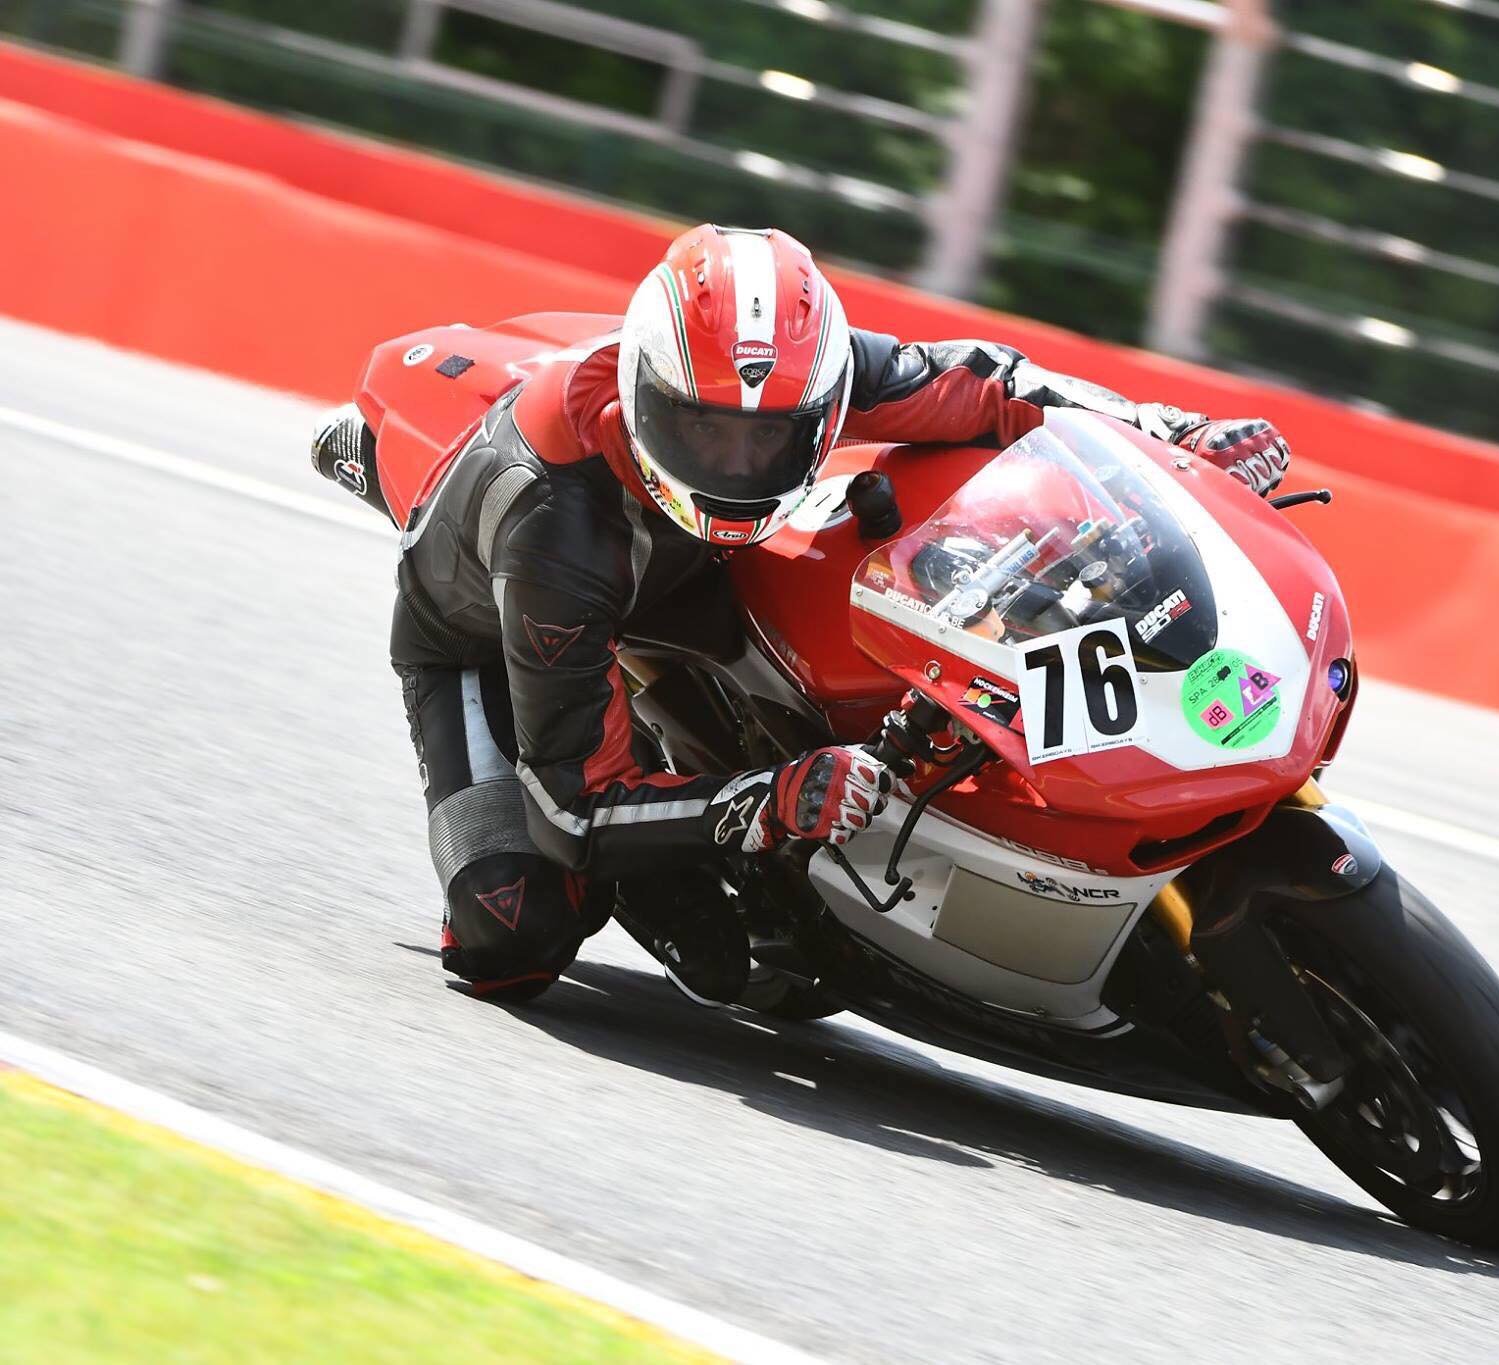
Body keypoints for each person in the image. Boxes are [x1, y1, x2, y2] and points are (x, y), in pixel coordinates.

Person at [313, 223, 1290, 1003]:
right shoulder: (553, 530)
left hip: (691, 567)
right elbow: (575, 808)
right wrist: (771, 799)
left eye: (771, 438)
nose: (738, 466)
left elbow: (987, 388)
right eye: (704, 432)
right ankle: (670, 837)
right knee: (512, 930)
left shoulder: (803, 371)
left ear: (818, 397)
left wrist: (1172, 435)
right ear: (648, 396)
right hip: (499, 632)